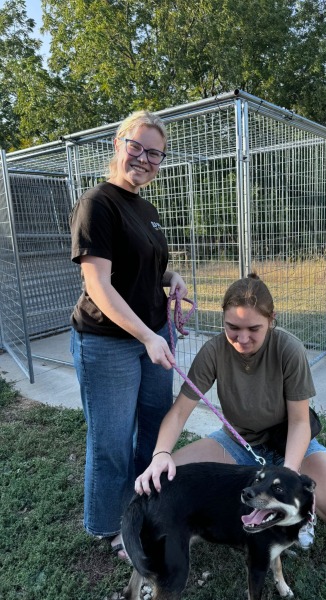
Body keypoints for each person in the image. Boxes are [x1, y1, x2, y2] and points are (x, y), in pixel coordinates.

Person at [135, 273, 326, 547]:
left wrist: (288, 474)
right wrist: (160, 454)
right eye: (232, 326)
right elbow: (178, 413)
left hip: (287, 446)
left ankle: (297, 514)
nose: (242, 338)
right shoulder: (213, 352)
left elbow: (299, 422)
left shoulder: (288, 350)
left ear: (272, 320)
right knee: (163, 483)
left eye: (254, 329)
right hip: (236, 444)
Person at [69, 110, 187, 559]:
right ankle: (110, 525)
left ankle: (143, 509)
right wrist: (146, 337)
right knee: (113, 440)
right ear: (119, 144)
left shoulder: (147, 207)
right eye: (136, 146)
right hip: (109, 343)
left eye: (154, 153)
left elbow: (143, 265)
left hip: (151, 336)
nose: (143, 159)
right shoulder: (97, 203)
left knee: (154, 430)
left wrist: (171, 276)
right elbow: (97, 283)